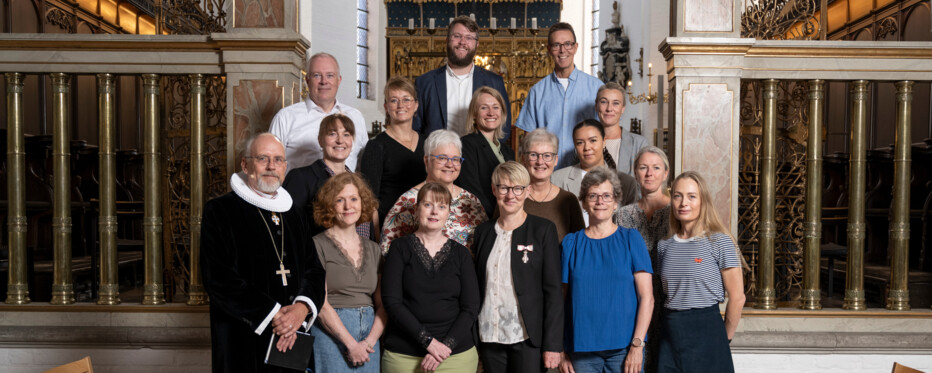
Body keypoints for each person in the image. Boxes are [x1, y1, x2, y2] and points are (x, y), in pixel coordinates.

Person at [201, 133, 326, 373]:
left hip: (293, 335)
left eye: (278, 160)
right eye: (263, 158)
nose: (271, 166)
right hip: (243, 337)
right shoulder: (220, 211)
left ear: (285, 167)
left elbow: (314, 270)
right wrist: (276, 315)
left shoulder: (295, 214)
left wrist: (301, 309)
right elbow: (217, 278)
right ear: (245, 165)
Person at [560, 167, 653, 373]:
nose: (600, 201)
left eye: (606, 196)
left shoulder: (631, 239)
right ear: (583, 202)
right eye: (593, 196)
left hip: (625, 348)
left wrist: (638, 346)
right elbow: (561, 301)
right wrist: (560, 349)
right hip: (580, 349)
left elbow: (647, 298)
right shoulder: (571, 243)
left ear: (616, 202)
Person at [473, 161, 563, 372]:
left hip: (527, 337)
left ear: (527, 191)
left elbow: (553, 291)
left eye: (517, 188)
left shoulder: (543, 230)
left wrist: (552, 345)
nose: (510, 195)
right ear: (494, 190)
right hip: (490, 334)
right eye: (504, 188)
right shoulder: (483, 232)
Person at [381, 183, 481, 373]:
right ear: (417, 209)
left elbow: (470, 308)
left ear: (448, 213)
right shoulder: (399, 248)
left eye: (442, 206)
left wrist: (444, 348)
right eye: (428, 205)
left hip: (455, 355)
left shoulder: (461, 254)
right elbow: (392, 302)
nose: (435, 211)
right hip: (404, 354)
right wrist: (428, 342)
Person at [655, 171, 746, 373]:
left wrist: (724, 338)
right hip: (671, 331)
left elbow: (738, 297)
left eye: (691, 196)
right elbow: (665, 294)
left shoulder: (719, 241)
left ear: (703, 201)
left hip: (707, 330)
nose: (683, 203)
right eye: (677, 196)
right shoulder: (664, 246)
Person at [309, 172, 385, 372]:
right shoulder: (317, 245)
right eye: (339, 200)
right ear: (329, 206)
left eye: (353, 199)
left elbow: (383, 304)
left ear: (363, 203)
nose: (348, 206)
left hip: (370, 336)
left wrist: (369, 342)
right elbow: (321, 304)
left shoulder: (374, 249)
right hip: (331, 334)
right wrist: (351, 344)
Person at [380, 129, 488, 253]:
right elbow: (387, 252)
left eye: (455, 159)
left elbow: (484, 246)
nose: (450, 164)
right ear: (426, 161)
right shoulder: (407, 201)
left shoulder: (471, 201)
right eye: (442, 158)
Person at [515, 22, 605, 168]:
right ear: (549, 49)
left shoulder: (596, 87)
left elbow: (604, 132)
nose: (563, 50)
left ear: (576, 47)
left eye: (568, 44)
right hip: (548, 173)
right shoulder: (537, 92)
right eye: (557, 45)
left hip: (586, 171)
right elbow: (528, 141)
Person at [616, 146, 671, 373]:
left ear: (666, 173)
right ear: (635, 173)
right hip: (634, 304)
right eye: (643, 167)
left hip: (670, 303)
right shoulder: (621, 215)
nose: (649, 173)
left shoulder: (678, 211)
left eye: (656, 168)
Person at [414, 16, 511, 140]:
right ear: (447, 40)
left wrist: (488, 156)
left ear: (477, 44)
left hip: (480, 157)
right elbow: (415, 129)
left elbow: (504, 127)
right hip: (438, 157)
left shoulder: (494, 82)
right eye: (457, 36)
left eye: (469, 38)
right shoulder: (424, 82)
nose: (462, 42)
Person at [270, 52, 368, 174]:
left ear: (339, 80)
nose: (324, 81)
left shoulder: (355, 117)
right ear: (307, 80)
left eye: (330, 75)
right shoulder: (285, 117)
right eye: (317, 75)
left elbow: (365, 166)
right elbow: (271, 165)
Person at [282, 113, 373, 240]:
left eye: (346, 134)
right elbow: (289, 228)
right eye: (332, 134)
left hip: (364, 256)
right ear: (320, 140)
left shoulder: (359, 182)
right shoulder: (300, 178)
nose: (340, 140)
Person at [359, 76, 427, 225]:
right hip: (390, 226)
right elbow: (369, 200)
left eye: (406, 99)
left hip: (425, 223)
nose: (400, 105)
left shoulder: (427, 143)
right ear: (386, 107)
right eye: (394, 100)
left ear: (416, 105)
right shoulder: (376, 146)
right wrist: (377, 237)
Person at [551, 119, 639, 225]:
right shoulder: (557, 179)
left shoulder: (627, 182)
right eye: (580, 143)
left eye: (593, 140)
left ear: (604, 141)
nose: (587, 148)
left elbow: (631, 225)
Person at [456, 87, 516, 217]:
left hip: (508, 217)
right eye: (484, 108)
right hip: (483, 218)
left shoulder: (508, 152)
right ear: (474, 114)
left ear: (502, 113)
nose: (491, 113)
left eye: (496, 107)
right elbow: (471, 189)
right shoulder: (466, 145)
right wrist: (495, 217)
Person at [520, 129, 585, 241]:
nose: (540, 162)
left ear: (555, 160)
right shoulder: (512, 197)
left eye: (547, 156)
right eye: (534, 155)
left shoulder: (568, 200)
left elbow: (579, 246)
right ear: (524, 159)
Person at [596, 82, 649, 175]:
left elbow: (644, 183)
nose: (609, 108)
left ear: (623, 108)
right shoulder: (584, 144)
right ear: (596, 106)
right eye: (604, 102)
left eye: (616, 103)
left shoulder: (639, 144)